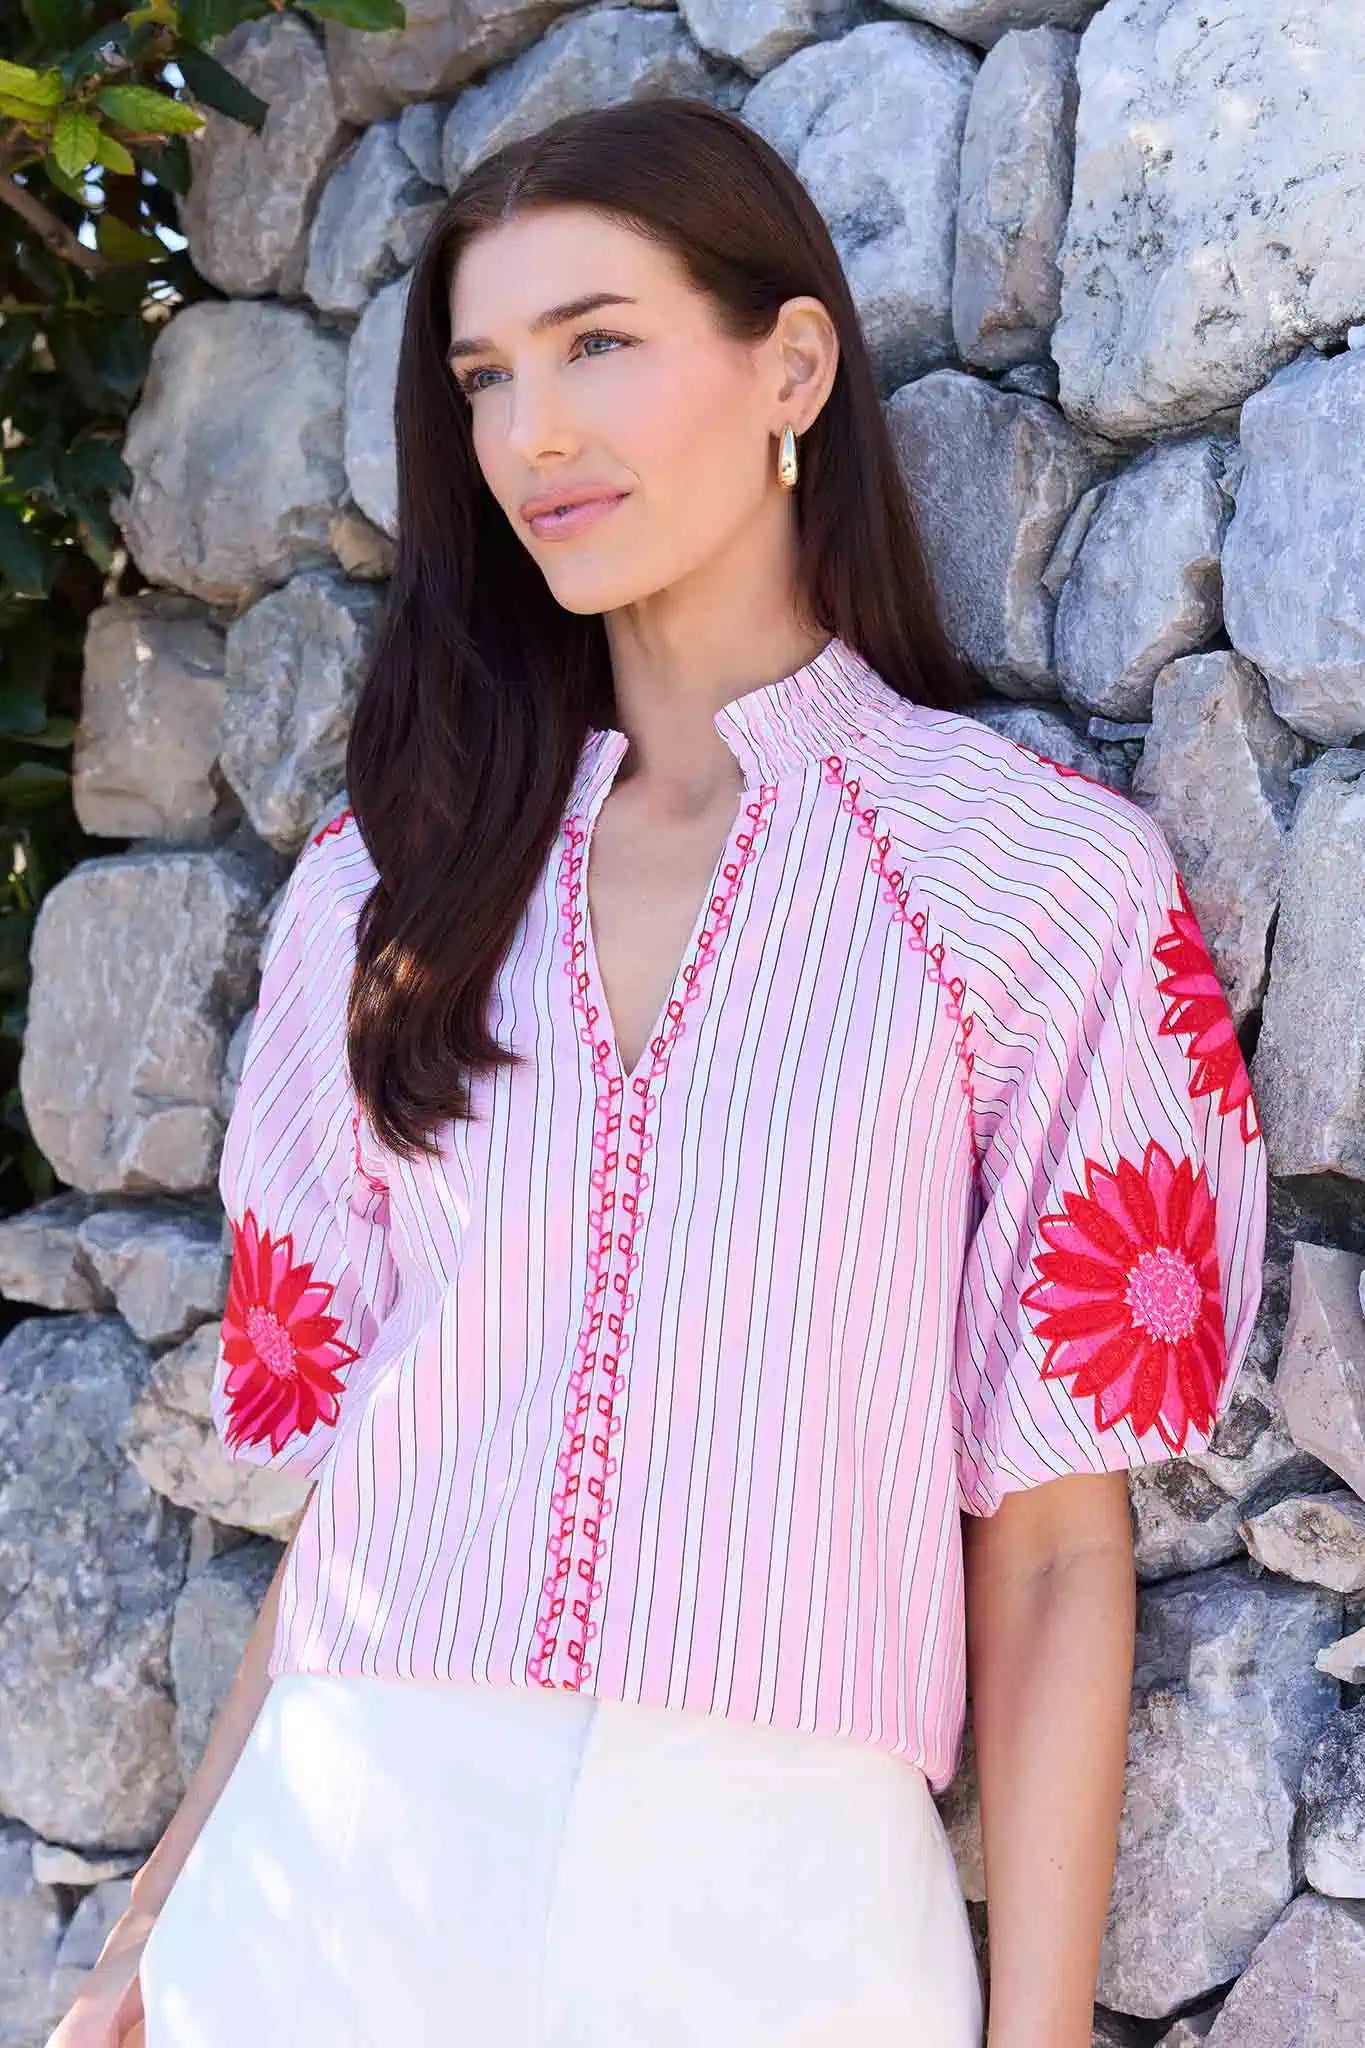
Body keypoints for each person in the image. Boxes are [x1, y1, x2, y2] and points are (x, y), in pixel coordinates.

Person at [52, 96, 1267, 2048]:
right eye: (484, 373)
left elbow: (1049, 1550)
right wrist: (160, 1916)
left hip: (774, 1916)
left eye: (596, 341)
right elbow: (365, 1498)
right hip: (335, 1879)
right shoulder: (383, 891)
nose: (532, 428)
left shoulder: (1027, 881)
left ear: (787, 364)